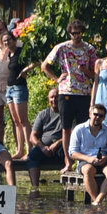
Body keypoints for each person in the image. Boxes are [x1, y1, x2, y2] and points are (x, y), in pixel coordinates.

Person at [41, 20, 97, 168]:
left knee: (84, 127)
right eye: (73, 33)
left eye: (79, 33)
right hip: (66, 92)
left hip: (84, 92)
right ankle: (68, 161)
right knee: (66, 128)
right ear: (69, 33)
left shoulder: (89, 49)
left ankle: (82, 159)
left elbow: (95, 73)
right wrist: (56, 78)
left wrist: (86, 71)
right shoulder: (62, 48)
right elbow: (45, 66)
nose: (76, 36)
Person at [0, 20, 31, 159]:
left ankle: (27, 150)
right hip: (3, 87)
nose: (6, 41)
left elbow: (33, 58)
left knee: (22, 120)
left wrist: (26, 70)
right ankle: (14, 149)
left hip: (17, 87)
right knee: (11, 120)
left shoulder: (19, 47)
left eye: (8, 38)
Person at [69, 102, 107, 206]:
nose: (97, 117)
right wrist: (89, 159)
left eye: (100, 116)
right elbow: (73, 153)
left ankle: (97, 201)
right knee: (88, 170)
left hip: (103, 161)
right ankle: (96, 200)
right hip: (85, 161)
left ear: (104, 118)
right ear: (90, 114)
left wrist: (106, 157)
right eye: (95, 114)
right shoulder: (79, 129)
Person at [25, 86, 65, 187]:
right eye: (51, 97)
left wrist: (57, 143)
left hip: (62, 147)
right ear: (48, 99)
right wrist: (42, 147)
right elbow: (33, 136)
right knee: (32, 157)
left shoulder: (66, 113)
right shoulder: (43, 114)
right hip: (44, 148)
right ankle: (35, 188)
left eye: (56, 97)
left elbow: (73, 134)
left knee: (71, 153)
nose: (54, 100)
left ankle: (67, 188)